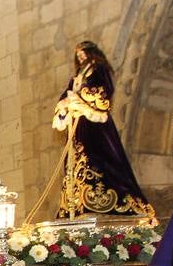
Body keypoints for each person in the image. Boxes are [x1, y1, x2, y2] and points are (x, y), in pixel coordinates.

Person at [52, 41, 155, 219]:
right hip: (78, 126)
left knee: (101, 160)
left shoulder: (98, 69)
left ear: (91, 53)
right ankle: (77, 204)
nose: (81, 57)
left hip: (95, 126)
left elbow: (103, 91)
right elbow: (66, 94)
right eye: (78, 55)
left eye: (83, 53)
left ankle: (105, 201)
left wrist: (79, 97)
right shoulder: (77, 77)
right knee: (76, 164)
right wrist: (64, 104)